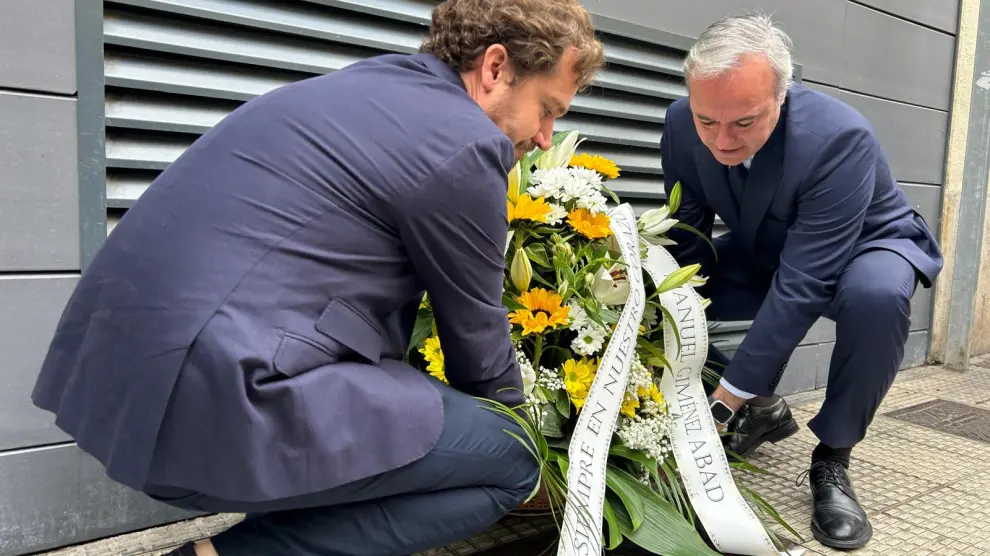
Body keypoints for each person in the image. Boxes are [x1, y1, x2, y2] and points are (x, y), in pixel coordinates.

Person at [30, 1, 605, 554]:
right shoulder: (463, 142)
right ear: (496, 67)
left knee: (386, 410)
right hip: (216, 403)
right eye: (548, 109)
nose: (545, 137)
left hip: (119, 387)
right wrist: (525, 433)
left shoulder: (371, 86)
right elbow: (476, 342)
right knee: (510, 459)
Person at [661, 12, 943, 551]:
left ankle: (832, 458)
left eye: (744, 123)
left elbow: (804, 280)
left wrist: (722, 402)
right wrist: (658, 292)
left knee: (877, 298)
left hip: (867, 247)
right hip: (766, 245)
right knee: (667, 293)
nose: (721, 141)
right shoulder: (679, 123)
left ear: (782, 96)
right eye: (707, 121)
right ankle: (765, 411)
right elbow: (687, 234)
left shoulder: (838, 138)